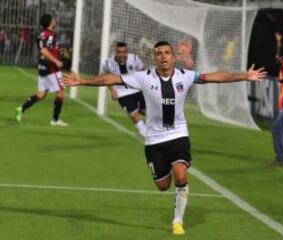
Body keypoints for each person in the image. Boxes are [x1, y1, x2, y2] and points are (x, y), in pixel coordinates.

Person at [62, 41, 267, 235]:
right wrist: (82, 81)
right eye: (159, 54)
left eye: (167, 53)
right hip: (154, 140)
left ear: (173, 57)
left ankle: (177, 221)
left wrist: (244, 76)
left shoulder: (185, 76)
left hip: (178, 134)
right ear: (155, 58)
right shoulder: (144, 77)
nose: (163, 57)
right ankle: (172, 171)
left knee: (181, 176)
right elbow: (111, 79)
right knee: (162, 186)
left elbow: (214, 77)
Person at [15, 14, 67, 126]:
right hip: (52, 68)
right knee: (61, 92)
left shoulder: (42, 34)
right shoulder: (51, 35)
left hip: (43, 67)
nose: (55, 20)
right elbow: (44, 51)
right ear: (50, 23)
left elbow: (46, 50)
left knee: (41, 94)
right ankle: (55, 120)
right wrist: (57, 61)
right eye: (53, 19)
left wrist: (58, 52)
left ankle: (21, 109)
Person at [101, 42, 146, 137]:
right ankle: (145, 133)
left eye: (124, 52)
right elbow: (104, 77)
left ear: (127, 52)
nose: (122, 54)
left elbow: (143, 70)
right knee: (134, 114)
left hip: (137, 89)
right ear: (115, 52)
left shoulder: (134, 58)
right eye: (119, 52)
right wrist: (112, 90)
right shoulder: (108, 63)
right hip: (122, 92)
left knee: (144, 111)